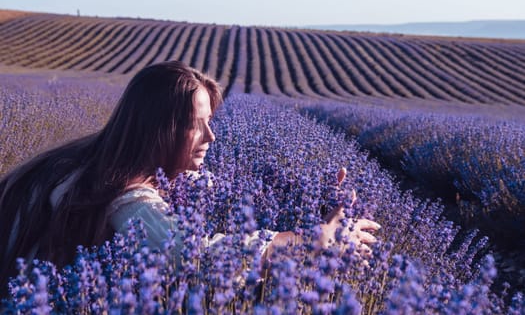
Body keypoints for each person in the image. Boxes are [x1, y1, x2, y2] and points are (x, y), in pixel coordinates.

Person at [0, 61, 380, 297]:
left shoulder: (90, 157)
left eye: (210, 123)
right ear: (159, 131)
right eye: (195, 126)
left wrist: (308, 197)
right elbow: (194, 260)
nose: (211, 137)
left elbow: (219, 191)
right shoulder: (123, 195)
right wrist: (317, 241)